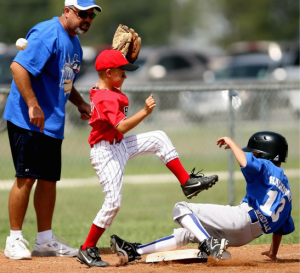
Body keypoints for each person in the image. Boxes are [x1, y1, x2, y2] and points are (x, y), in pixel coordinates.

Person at [76, 49, 219, 267]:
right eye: (121, 73)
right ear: (107, 73)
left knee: (159, 138)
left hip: (118, 145)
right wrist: (144, 111)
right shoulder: (105, 96)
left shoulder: (105, 89)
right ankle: (87, 248)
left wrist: (119, 58)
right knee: (113, 203)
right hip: (106, 153)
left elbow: (107, 89)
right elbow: (121, 125)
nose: (125, 76)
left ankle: (187, 182)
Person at [3, 0, 102, 260]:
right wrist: (33, 105)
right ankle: (14, 239)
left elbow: (64, 81)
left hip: (51, 123)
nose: (87, 19)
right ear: (67, 10)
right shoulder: (48, 32)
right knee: (26, 177)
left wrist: (80, 103)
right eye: (82, 13)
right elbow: (18, 67)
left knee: (48, 181)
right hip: (27, 118)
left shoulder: (75, 44)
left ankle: (45, 241)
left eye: (91, 15)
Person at [110, 131, 295, 261]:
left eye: (254, 152)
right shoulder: (286, 189)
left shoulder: (265, 165)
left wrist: (231, 143)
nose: (251, 154)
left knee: (181, 208)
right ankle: (135, 251)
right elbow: (282, 228)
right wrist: (273, 252)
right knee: (188, 232)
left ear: (264, 154)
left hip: (243, 218)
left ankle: (208, 243)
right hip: (248, 236)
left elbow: (247, 162)